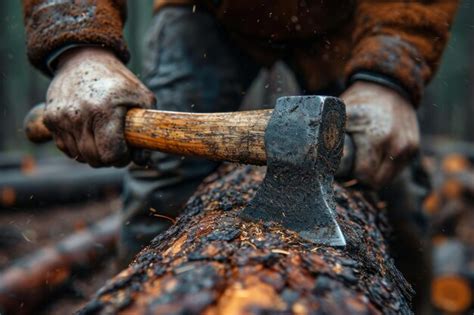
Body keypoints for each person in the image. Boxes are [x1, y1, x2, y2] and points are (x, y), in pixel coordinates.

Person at [22, 1, 458, 265]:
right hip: (206, 10)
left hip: (352, 18)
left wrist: (390, 75)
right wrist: (80, 47)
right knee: (163, 185)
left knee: (389, 177)